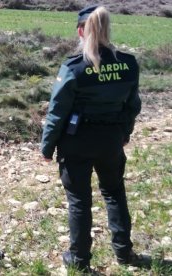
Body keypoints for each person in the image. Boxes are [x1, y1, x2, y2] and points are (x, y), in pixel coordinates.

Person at [40, 4, 143, 271]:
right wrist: (124, 134)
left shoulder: (74, 68)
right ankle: (123, 252)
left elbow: (57, 112)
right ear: (108, 29)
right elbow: (132, 106)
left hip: (77, 141)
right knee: (114, 193)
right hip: (111, 139)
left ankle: (79, 261)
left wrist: (46, 147)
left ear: (80, 31)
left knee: (79, 201)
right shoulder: (129, 64)